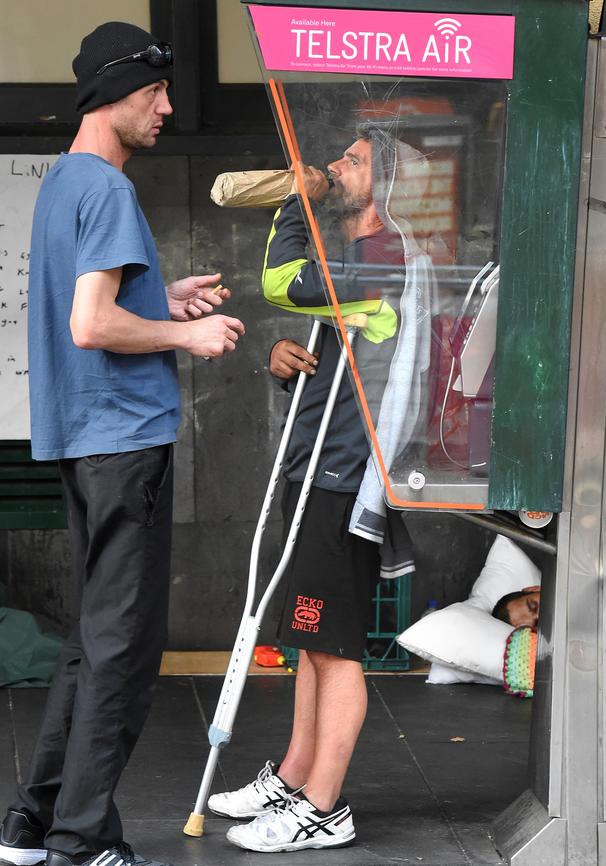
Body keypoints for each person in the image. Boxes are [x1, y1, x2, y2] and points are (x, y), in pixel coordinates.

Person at [0, 21, 244, 866]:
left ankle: (34, 824)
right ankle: (82, 838)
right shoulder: (105, 188)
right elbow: (92, 322)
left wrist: (163, 298)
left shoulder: (65, 182)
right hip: (122, 442)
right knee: (125, 651)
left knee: (90, 640)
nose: (168, 108)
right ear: (112, 94)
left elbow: (99, 306)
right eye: (154, 94)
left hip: (82, 440)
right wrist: (188, 340)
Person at [208, 126, 433, 854]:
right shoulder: (354, 257)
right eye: (338, 157)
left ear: (388, 185)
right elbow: (325, 330)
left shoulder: (383, 253)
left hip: (343, 476)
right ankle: (296, 776)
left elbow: (284, 282)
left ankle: (324, 807)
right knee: (311, 636)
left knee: (335, 646)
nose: (335, 167)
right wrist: (283, 358)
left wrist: (294, 203)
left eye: (353, 161)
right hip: (313, 465)